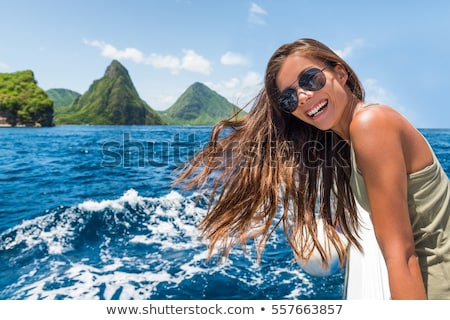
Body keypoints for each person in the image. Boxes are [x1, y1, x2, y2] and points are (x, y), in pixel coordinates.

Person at [175, 38, 450, 299]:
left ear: (340, 73)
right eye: (289, 98)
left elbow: (402, 255)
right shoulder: (348, 140)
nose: (303, 96)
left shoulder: (370, 124)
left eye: (310, 79)